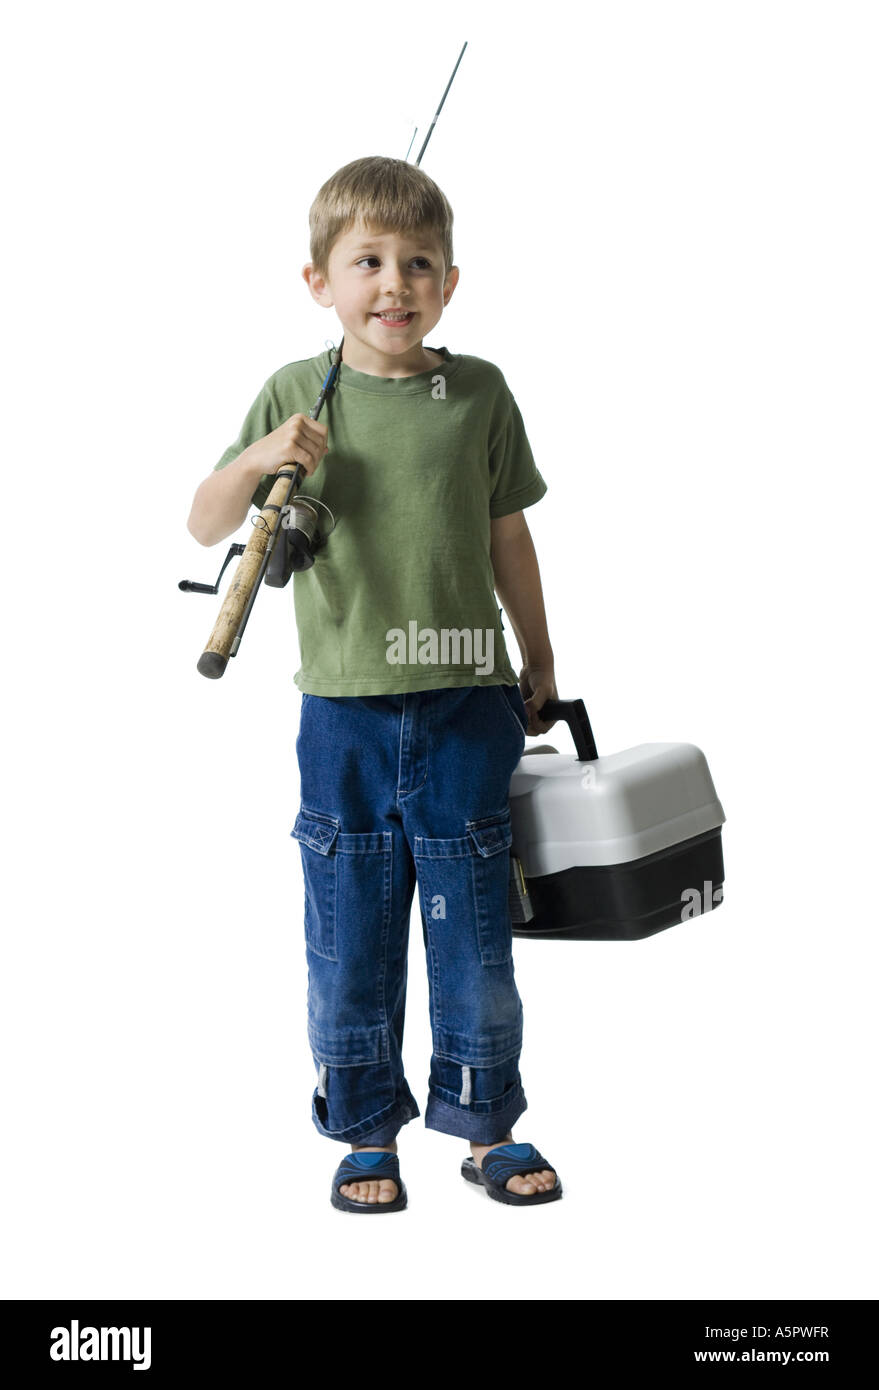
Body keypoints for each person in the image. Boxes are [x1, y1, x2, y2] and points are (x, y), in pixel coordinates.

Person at [186, 156, 563, 1210]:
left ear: (449, 282)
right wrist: (267, 449)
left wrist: (539, 657)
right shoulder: (289, 395)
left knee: (474, 927)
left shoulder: (477, 391)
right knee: (351, 927)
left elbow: (509, 535)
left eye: (418, 264)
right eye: (368, 263)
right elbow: (206, 521)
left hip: (468, 705)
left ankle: (488, 1124)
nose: (393, 283)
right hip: (342, 716)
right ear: (319, 281)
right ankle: (364, 1130)